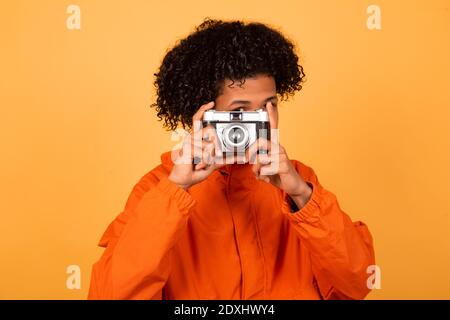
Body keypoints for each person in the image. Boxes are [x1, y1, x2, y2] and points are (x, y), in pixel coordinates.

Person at [88, 18, 375, 300]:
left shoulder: (298, 182)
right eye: (241, 110)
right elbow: (114, 295)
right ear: (203, 113)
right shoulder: (159, 188)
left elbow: (357, 283)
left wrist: (302, 195)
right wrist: (174, 191)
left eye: (269, 105)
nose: (262, 120)